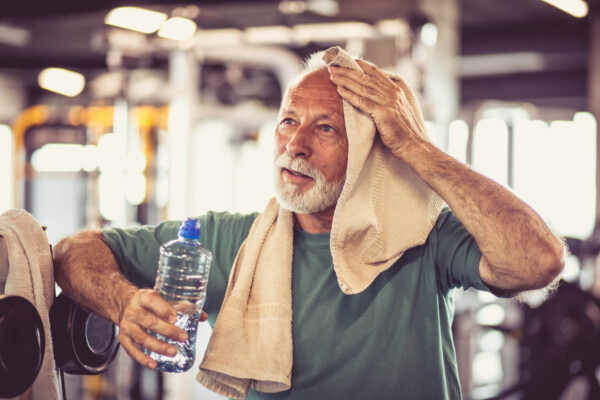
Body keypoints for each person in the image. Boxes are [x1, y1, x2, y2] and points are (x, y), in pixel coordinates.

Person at [54, 49, 565, 400]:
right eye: (288, 121)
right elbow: (76, 251)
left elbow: (539, 260)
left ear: (370, 151)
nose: (295, 145)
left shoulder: (424, 238)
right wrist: (123, 303)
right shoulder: (232, 241)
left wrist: (412, 145)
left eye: (325, 129)